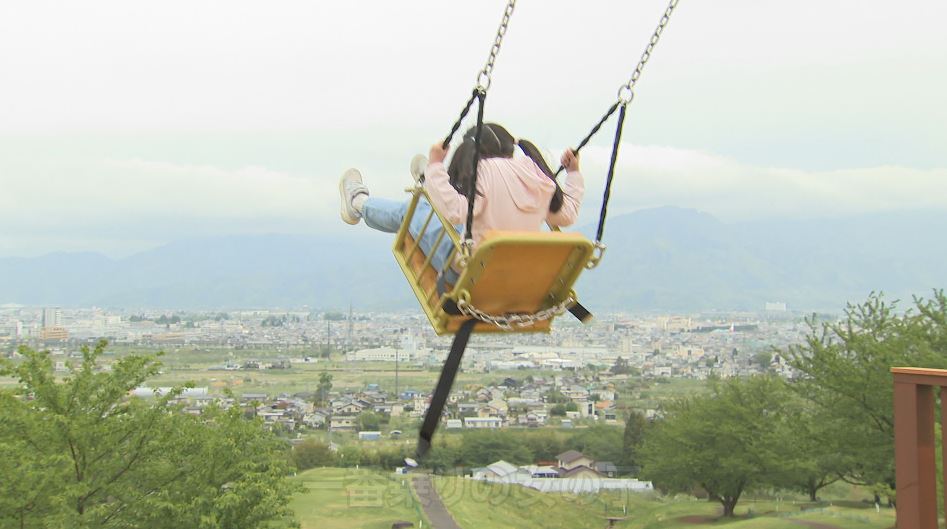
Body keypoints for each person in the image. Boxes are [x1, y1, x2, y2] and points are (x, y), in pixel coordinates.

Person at [338, 123, 584, 283]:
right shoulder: (537, 175)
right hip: (517, 280)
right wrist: (573, 173)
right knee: (464, 225)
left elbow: (455, 211)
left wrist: (436, 163)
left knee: (415, 211)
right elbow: (568, 213)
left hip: (472, 276)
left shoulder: (483, 175)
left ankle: (359, 203)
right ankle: (431, 182)